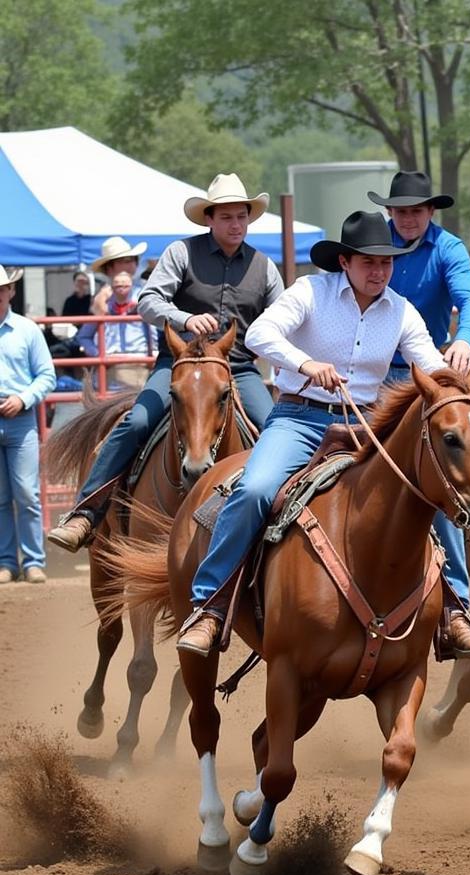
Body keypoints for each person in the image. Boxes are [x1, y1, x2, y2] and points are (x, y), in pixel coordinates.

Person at [175, 211, 448, 655]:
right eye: (368, 263)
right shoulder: (309, 292)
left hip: (365, 422)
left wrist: (456, 380)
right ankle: (210, 605)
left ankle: (454, 610)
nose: (379, 272)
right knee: (255, 489)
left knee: (430, 492)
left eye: (386, 263)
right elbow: (261, 332)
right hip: (298, 418)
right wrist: (304, 364)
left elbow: (428, 362)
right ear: (345, 262)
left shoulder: (401, 311)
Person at [47, 173, 284, 553]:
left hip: (236, 369)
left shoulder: (264, 267)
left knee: (275, 427)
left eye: (241, 216)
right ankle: (87, 512)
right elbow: (148, 301)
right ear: (209, 218)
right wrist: (184, 319)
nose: (236, 224)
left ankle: (283, 522)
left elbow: (282, 317)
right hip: (179, 366)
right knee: (138, 420)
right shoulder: (181, 253)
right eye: (227, 217)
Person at [367, 169, 470, 657]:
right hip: (368, 377)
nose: (408, 218)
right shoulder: (375, 248)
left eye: (416, 210)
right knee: (326, 462)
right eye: (400, 211)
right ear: (390, 213)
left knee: (444, 478)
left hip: (424, 377)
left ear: (430, 212)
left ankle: (457, 606)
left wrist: (464, 338)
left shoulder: (447, 248)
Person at [0, 266, 57, 584]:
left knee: (25, 493)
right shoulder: (25, 328)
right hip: (17, 418)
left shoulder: (27, 330)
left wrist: (23, 399)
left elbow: (46, 375)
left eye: (0, 290)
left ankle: (32, 560)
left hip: (20, 418)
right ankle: (8, 561)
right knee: (2, 496)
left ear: (9, 292)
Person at [75, 271, 155, 389]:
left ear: (132, 285)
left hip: (139, 363)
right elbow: (83, 336)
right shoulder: (102, 309)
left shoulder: (143, 308)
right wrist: (98, 354)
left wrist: (152, 355)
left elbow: (154, 335)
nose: (121, 287)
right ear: (111, 286)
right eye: (117, 285)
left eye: (125, 284)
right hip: (109, 366)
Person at [89, 236, 148, 316]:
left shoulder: (145, 289)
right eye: (126, 261)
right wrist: (98, 311)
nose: (132, 264)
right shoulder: (102, 296)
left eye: (134, 259)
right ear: (109, 268)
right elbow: (88, 327)